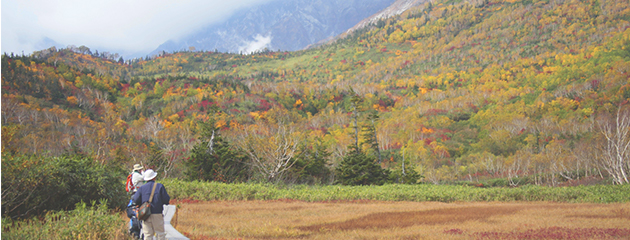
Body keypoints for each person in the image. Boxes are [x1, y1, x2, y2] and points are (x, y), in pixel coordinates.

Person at [133, 169, 170, 240]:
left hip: (145, 214)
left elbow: (135, 199)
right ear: (154, 177)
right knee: (160, 234)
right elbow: (166, 200)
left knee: (147, 235)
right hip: (157, 214)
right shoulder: (160, 187)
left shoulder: (142, 188)